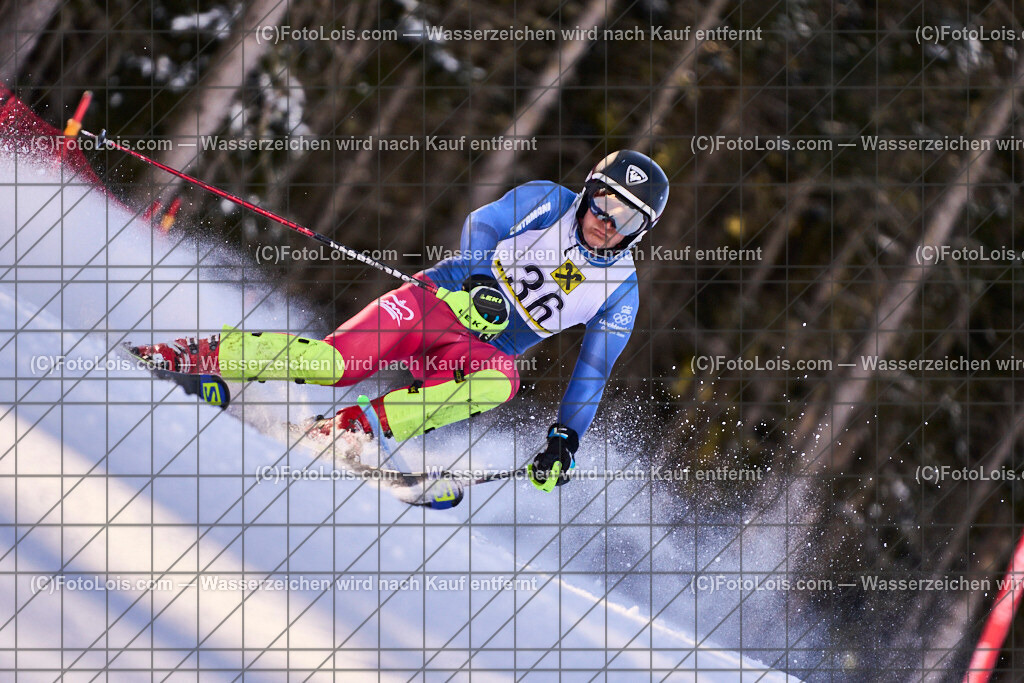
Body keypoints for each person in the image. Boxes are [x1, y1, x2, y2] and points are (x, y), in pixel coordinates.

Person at [133, 150, 669, 492]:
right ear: (588, 191)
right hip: (437, 302)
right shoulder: (549, 203)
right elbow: (483, 223)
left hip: (480, 351)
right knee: (336, 364)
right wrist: (479, 280)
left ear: (640, 231)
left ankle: (345, 432)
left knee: (504, 380)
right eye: (602, 202)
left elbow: (593, 372)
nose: (605, 221)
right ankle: (199, 357)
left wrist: (565, 439)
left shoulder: (619, 292)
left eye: (625, 217)